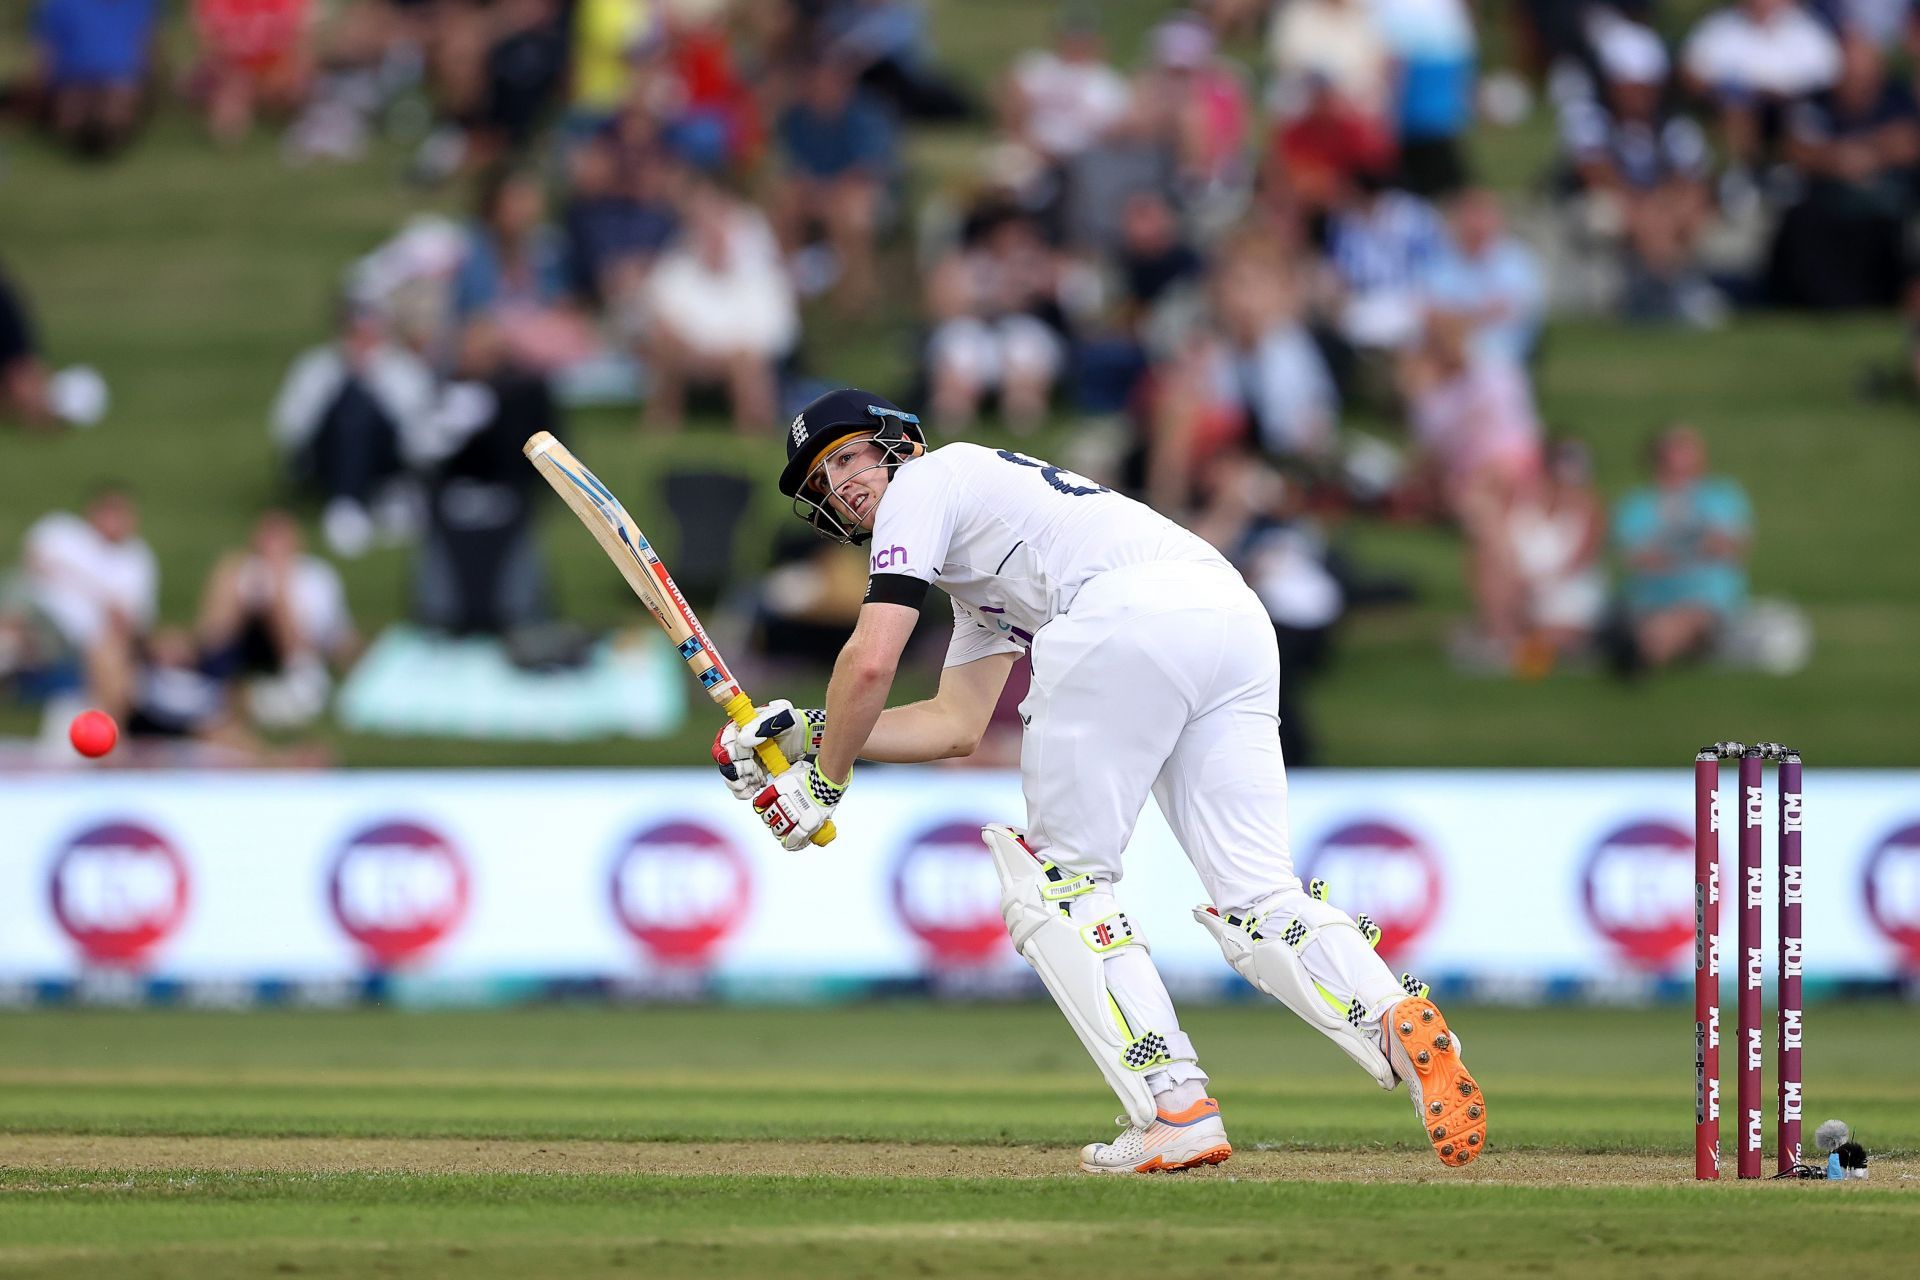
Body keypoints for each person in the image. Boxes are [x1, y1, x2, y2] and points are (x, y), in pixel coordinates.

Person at [710, 388, 1487, 1175]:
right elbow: (954, 723)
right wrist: (809, 732)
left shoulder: (924, 483)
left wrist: (826, 783)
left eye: (846, 456)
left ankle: (1176, 1109)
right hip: (1228, 617)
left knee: (1058, 885)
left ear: (895, 443)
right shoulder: (979, 557)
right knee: (1259, 893)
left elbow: (870, 659)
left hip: (1126, 614)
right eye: (820, 480)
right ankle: (1396, 1018)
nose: (838, 483)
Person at [1613, 424, 1753, 669]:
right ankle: (1654, 648)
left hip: (1707, 599)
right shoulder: (1638, 505)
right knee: (1662, 622)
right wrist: (1693, 549)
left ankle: (1646, 651)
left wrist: (1673, 554)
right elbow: (1637, 559)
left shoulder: (1720, 497)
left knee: (1682, 621)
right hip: (1653, 598)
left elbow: (1731, 546)